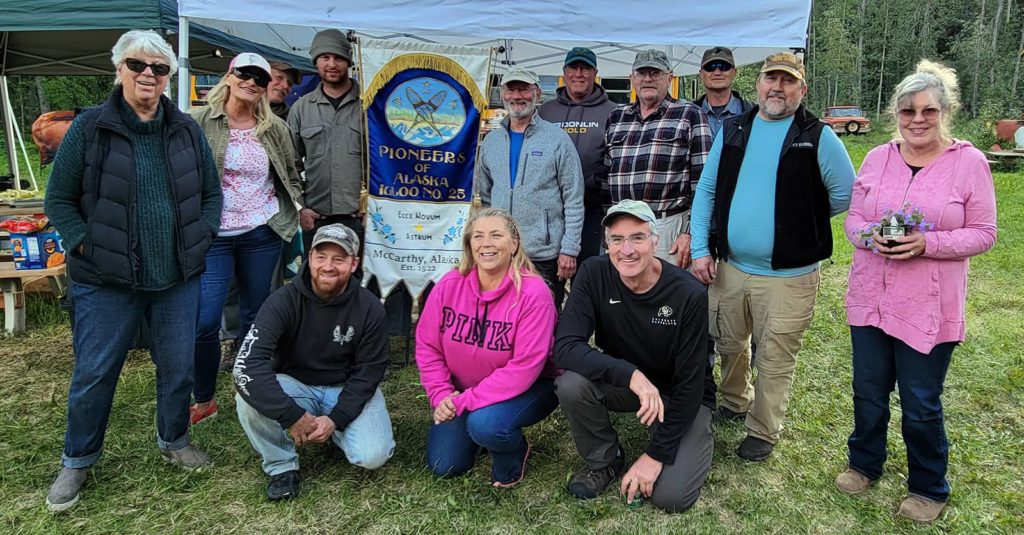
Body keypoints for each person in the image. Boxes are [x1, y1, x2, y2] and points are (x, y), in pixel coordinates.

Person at [43, 29, 222, 512]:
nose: (149, 75)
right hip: (105, 279)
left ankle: (175, 439)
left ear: (169, 78)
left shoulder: (186, 129)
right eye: (138, 65)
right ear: (118, 68)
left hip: (177, 276)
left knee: (178, 365)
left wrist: (202, 235)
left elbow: (211, 194)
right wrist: (85, 243)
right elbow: (58, 199)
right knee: (96, 370)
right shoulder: (90, 128)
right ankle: (77, 459)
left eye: (159, 69)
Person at [835, 60, 997, 523]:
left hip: (927, 305)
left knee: (921, 400)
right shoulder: (877, 157)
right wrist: (871, 238)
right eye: (908, 112)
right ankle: (865, 463)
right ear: (896, 115)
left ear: (946, 111)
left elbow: (985, 232)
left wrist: (929, 242)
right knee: (867, 390)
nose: (918, 120)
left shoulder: (968, 162)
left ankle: (928, 486)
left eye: (928, 110)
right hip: (871, 296)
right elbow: (853, 220)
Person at [690, 52, 856, 461]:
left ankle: (763, 429)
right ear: (759, 83)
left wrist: (801, 219)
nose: (777, 88)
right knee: (729, 343)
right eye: (770, 79)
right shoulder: (733, 129)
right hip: (730, 266)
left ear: (802, 89)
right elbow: (707, 193)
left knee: (775, 353)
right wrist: (699, 249)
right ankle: (734, 400)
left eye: (787, 81)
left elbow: (846, 194)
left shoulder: (818, 136)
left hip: (789, 275)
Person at [554, 199, 714, 513]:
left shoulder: (689, 294)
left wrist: (656, 455)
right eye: (617, 239)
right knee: (572, 384)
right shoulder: (594, 273)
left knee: (671, 497)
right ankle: (605, 460)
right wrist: (631, 376)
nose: (627, 250)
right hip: (629, 386)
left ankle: (683, 435)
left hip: (680, 393)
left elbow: (691, 383)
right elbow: (565, 347)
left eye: (637, 238)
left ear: (656, 241)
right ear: (607, 244)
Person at [233, 224, 395, 501]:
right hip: (295, 387)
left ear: (354, 263)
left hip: (345, 388)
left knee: (372, 456)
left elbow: (370, 372)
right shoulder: (281, 301)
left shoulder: (370, 308)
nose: (328, 266)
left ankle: (333, 430)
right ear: (309, 258)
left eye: (339, 258)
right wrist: (292, 416)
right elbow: (247, 366)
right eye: (321, 257)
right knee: (248, 396)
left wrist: (336, 418)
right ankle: (281, 465)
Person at [188, 52, 303, 426]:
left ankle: (247, 384)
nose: (251, 82)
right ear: (230, 75)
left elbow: (290, 172)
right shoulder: (198, 122)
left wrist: (294, 209)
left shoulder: (274, 129)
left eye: (259, 77)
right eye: (245, 74)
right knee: (206, 320)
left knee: (257, 314)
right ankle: (203, 396)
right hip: (214, 233)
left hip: (261, 231)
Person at [415, 208, 559, 487]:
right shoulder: (449, 284)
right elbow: (428, 346)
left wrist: (462, 403)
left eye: (496, 235)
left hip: (530, 387)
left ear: (514, 244)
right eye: (478, 236)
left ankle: (512, 453)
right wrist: (441, 395)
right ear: (469, 244)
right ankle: (475, 430)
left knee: (486, 425)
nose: (486, 243)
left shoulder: (533, 293)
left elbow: (524, 368)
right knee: (446, 465)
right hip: (461, 391)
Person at [475, 68, 585, 306]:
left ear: (537, 93)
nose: (517, 96)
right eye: (511, 89)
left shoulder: (557, 140)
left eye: (524, 89)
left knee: (543, 318)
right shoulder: (491, 142)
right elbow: (485, 197)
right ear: (502, 93)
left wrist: (569, 249)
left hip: (543, 253)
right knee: (502, 315)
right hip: (502, 251)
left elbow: (574, 198)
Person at [603, 49, 712, 268]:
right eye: (642, 73)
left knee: (667, 299)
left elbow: (704, 184)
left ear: (669, 77)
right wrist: (608, 229)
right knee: (623, 298)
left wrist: (691, 234)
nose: (648, 78)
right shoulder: (617, 116)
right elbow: (606, 180)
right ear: (632, 78)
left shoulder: (690, 114)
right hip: (621, 225)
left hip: (667, 227)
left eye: (655, 72)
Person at [288, 29, 366, 259]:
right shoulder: (301, 108)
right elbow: (289, 165)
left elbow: (385, 159)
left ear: (349, 61)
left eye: (339, 57)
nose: (332, 64)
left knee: (360, 288)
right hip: (317, 219)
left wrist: (376, 209)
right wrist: (301, 208)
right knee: (319, 286)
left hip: (361, 218)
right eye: (325, 57)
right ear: (316, 62)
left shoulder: (369, 105)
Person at [538, 47, 618, 270]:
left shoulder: (613, 112)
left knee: (588, 274)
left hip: (592, 209)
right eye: (574, 68)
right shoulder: (546, 111)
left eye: (585, 68)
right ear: (564, 72)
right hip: (550, 211)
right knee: (548, 276)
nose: (579, 74)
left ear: (595, 73)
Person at [693, 47, 754, 138]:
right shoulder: (689, 113)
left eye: (724, 67)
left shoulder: (753, 113)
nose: (717, 72)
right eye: (710, 67)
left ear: (734, 72)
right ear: (701, 74)